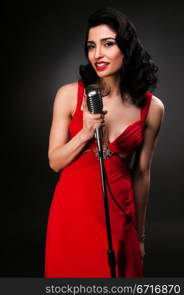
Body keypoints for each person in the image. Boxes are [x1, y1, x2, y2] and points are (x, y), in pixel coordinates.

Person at [44, 7, 165, 278]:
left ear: (126, 47)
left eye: (108, 44)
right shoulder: (68, 95)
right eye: (91, 46)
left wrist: (140, 234)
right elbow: (55, 161)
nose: (97, 54)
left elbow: (142, 173)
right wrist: (86, 133)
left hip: (121, 213)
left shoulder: (152, 108)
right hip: (72, 211)